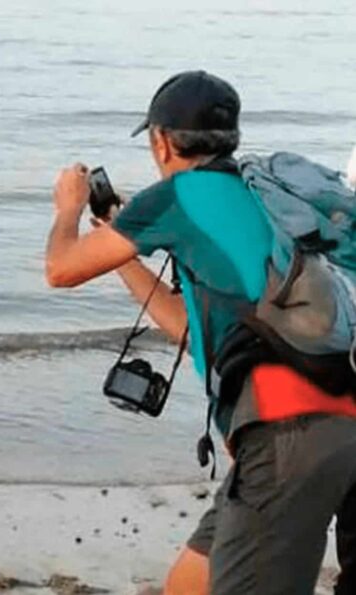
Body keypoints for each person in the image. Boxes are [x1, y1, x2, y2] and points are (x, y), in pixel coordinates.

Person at [44, 70, 356, 594]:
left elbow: (60, 268)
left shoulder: (177, 196)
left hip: (285, 437)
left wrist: (69, 209)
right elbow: (188, 326)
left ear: (162, 141)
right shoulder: (257, 194)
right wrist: (124, 249)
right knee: (187, 586)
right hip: (331, 421)